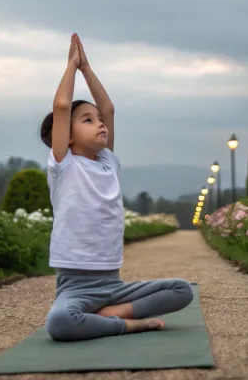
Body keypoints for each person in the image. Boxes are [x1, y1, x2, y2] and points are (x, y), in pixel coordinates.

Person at [40, 33, 193, 342]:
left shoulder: (108, 162)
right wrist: (71, 66)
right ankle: (129, 323)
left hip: (114, 287)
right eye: (87, 120)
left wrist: (88, 69)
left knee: (182, 290)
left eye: (99, 120)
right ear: (67, 137)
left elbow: (108, 107)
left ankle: (113, 314)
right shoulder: (64, 166)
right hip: (75, 288)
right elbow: (60, 106)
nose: (100, 123)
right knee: (59, 323)